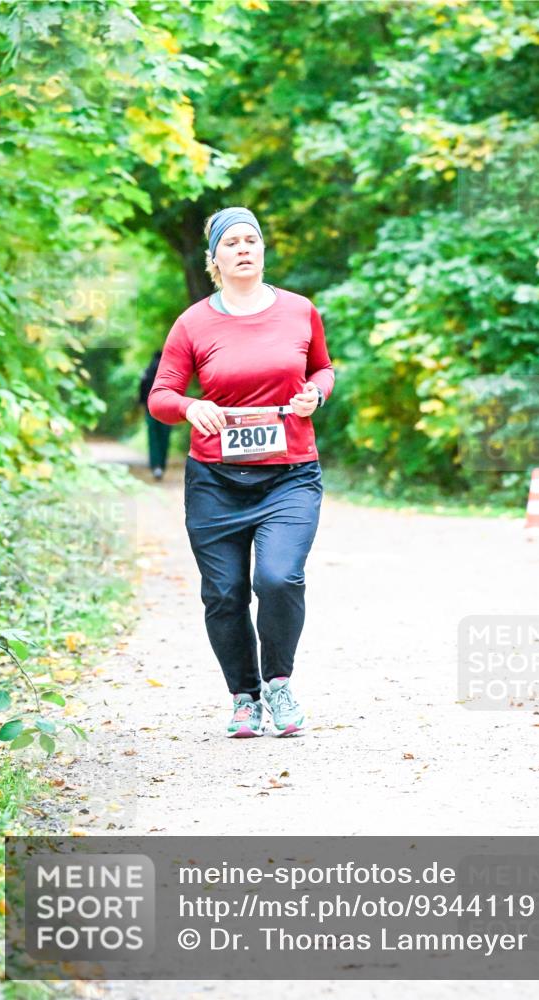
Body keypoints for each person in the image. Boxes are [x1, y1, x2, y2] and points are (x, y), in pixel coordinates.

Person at [148, 206, 334, 736]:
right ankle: (244, 697)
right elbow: (160, 395)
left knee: (278, 578)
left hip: (290, 473)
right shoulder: (193, 323)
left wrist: (314, 394)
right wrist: (189, 407)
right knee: (224, 592)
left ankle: (278, 683)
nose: (244, 249)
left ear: (263, 251)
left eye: (252, 240)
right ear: (215, 259)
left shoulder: (299, 311)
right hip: (215, 481)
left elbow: (322, 367)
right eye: (232, 243)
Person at [139, 350, 171, 480]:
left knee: (153, 438)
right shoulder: (168, 371)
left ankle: (154, 466)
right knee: (164, 438)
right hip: (167, 410)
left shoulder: (147, 371)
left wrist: (143, 405)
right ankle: (162, 465)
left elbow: (141, 390)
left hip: (150, 410)